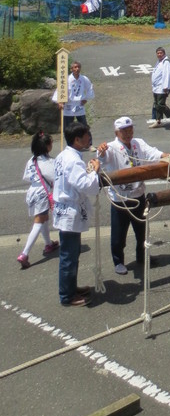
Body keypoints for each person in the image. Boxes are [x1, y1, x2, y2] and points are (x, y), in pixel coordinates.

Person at [97, 117, 170, 275]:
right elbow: (102, 159)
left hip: (138, 194)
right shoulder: (111, 147)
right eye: (123, 131)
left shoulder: (138, 143)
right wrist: (102, 152)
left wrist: (164, 155)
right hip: (120, 199)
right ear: (116, 133)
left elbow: (151, 152)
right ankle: (118, 261)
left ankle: (142, 256)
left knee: (142, 230)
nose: (127, 133)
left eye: (130, 129)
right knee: (119, 234)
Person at [53, 122, 101, 306]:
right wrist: (94, 171)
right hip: (69, 210)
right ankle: (66, 295)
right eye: (87, 135)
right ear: (77, 139)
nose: (89, 137)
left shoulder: (64, 155)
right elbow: (86, 185)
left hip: (66, 208)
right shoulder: (73, 160)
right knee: (68, 256)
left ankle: (71, 288)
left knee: (72, 254)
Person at [17, 131, 59, 268]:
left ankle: (48, 244)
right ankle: (24, 253)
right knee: (39, 222)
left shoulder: (32, 160)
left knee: (43, 219)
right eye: (51, 143)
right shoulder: (50, 162)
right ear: (47, 146)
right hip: (42, 193)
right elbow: (56, 179)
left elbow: (26, 177)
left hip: (32, 192)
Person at [52, 61, 95, 130]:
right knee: (68, 129)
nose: (77, 69)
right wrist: (59, 102)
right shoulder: (66, 79)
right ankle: (69, 141)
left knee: (84, 128)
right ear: (71, 69)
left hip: (79, 105)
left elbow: (90, 88)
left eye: (78, 67)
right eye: (75, 67)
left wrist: (86, 98)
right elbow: (59, 90)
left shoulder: (84, 79)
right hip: (68, 105)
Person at [150, 47, 170, 129]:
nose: (159, 54)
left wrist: (165, 87)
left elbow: (166, 75)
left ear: (164, 53)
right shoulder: (159, 62)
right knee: (157, 104)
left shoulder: (166, 62)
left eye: (161, 53)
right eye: (158, 53)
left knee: (160, 105)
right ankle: (158, 121)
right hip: (156, 87)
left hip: (162, 88)